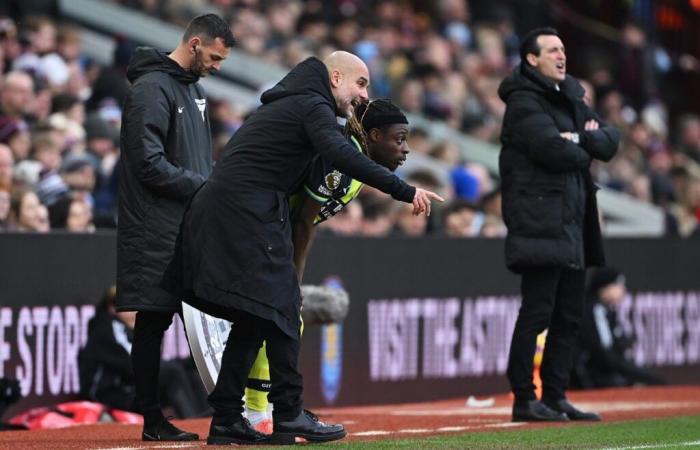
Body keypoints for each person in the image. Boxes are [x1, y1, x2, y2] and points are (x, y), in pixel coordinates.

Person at [165, 51, 442, 446]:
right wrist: (403, 189)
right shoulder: (311, 104)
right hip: (245, 212)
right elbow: (341, 154)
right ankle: (289, 413)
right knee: (281, 308)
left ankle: (227, 417)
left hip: (237, 209)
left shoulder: (299, 100)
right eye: (360, 84)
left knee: (255, 314)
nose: (364, 96)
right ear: (334, 77)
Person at [242, 98, 411, 433]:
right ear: (374, 135)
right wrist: (293, 277)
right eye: (399, 139)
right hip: (254, 231)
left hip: (267, 234)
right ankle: (255, 410)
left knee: (283, 321)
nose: (405, 149)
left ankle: (265, 405)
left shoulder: (355, 164)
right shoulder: (341, 161)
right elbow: (304, 220)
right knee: (280, 319)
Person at [115, 13, 234, 442]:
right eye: (216, 56)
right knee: (153, 320)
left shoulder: (193, 89)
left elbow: (195, 161)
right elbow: (147, 163)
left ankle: (229, 414)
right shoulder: (150, 89)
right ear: (196, 43)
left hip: (189, 223)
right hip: (153, 228)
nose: (218, 66)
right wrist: (205, 185)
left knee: (219, 314)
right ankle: (152, 421)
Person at [498, 27, 620, 422]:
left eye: (563, 49)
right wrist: (580, 142)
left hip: (573, 222)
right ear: (532, 59)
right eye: (552, 50)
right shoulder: (522, 101)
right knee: (537, 312)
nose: (561, 55)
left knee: (569, 314)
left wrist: (577, 140)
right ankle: (523, 397)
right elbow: (552, 150)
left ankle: (555, 395)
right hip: (539, 220)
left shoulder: (573, 96)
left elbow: (610, 140)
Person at [78, 286, 209, 416]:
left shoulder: (127, 330)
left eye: (137, 307)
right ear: (112, 309)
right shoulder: (108, 328)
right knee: (172, 373)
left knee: (189, 372)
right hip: (110, 395)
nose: (136, 312)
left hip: (128, 388)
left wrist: (186, 363)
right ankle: (193, 420)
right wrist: (175, 366)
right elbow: (134, 365)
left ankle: (204, 419)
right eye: (129, 308)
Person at [572, 267, 666, 389]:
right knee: (654, 382)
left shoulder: (607, 311)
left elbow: (617, 350)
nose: (623, 289)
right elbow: (604, 356)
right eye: (618, 284)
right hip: (592, 378)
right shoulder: (594, 310)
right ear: (604, 287)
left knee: (654, 381)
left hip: (608, 372)